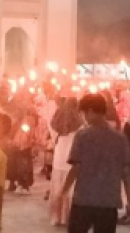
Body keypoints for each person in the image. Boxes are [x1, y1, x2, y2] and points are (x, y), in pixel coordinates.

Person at [61, 93, 130, 233]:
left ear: (90, 111)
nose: (84, 117)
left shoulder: (82, 136)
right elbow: (126, 173)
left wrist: (64, 191)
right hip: (109, 202)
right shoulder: (120, 138)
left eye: (84, 113)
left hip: (84, 200)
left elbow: (76, 167)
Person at [48, 97, 83, 227]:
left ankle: (56, 217)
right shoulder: (80, 123)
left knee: (57, 188)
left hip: (59, 157)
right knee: (70, 189)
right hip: (72, 159)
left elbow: (53, 137)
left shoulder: (55, 123)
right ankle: (66, 217)